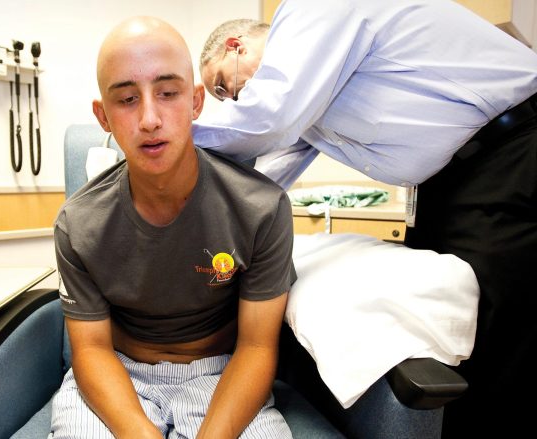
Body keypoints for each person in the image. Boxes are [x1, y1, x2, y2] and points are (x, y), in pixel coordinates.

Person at [192, 0, 537, 436]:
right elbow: (266, 178)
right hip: (455, 183)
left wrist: (166, 146)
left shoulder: (310, 14)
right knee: (460, 323)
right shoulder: (308, 106)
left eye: (224, 86)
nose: (233, 100)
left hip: (513, 149)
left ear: (235, 45)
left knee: (498, 330)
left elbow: (265, 120)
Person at [50, 16, 297, 439]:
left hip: (224, 374)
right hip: (118, 374)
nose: (149, 118)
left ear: (196, 101)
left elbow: (256, 347)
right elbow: (90, 349)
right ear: (103, 116)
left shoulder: (261, 209)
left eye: (167, 93)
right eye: (126, 99)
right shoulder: (79, 223)